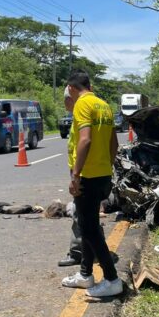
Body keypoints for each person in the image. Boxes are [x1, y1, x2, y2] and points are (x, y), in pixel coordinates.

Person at [61, 72, 121, 297]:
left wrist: (76, 176)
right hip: (103, 174)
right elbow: (113, 142)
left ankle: (112, 279)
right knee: (88, 225)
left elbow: (84, 139)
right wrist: (107, 165)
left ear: (71, 88)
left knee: (90, 229)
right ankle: (85, 275)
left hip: (88, 176)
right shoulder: (104, 105)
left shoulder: (82, 104)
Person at [58, 86, 105, 267]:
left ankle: (81, 254)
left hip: (84, 172)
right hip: (93, 171)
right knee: (88, 217)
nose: (65, 104)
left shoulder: (82, 111)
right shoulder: (90, 110)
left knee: (82, 216)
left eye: (66, 100)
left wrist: (76, 175)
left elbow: (85, 142)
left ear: (71, 98)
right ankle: (90, 256)